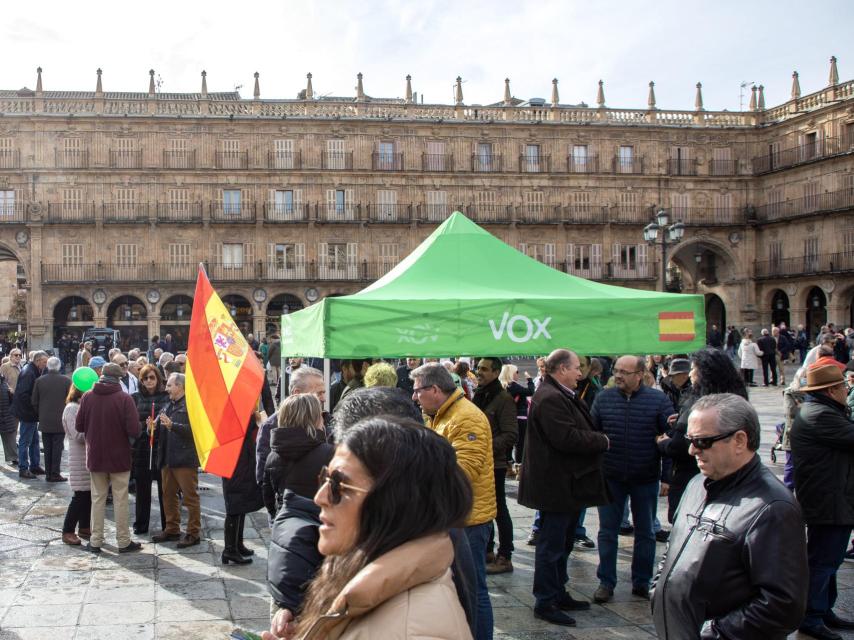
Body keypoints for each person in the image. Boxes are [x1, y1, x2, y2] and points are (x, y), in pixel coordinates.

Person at [283, 417, 473, 640]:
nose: (319, 497)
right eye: (324, 478)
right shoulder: (351, 571)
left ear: (393, 503)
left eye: (338, 485)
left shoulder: (412, 630)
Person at [651, 393, 808, 639]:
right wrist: (659, 588)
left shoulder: (773, 507)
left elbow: (783, 604)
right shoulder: (697, 484)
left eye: (702, 441)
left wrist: (713, 633)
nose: (692, 450)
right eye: (690, 440)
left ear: (739, 440)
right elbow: (675, 546)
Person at [518, 348, 610, 627]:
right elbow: (566, 438)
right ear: (561, 370)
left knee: (563, 542)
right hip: (555, 485)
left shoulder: (560, 393)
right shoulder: (550, 397)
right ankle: (545, 601)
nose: (580, 373)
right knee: (552, 545)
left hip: (567, 483)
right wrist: (602, 441)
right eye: (576, 368)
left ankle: (558, 592)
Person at [410, 362, 496, 640]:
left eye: (418, 391)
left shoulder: (466, 417)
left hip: (470, 518)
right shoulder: (440, 414)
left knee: (474, 590)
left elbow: (464, 470)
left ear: (435, 389)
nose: (414, 396)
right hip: (454, 515)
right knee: (462, 589)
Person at [591, 355, 673, 603]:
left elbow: (669, 440)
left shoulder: (658, 400)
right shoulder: (603, 398)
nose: (618, 376)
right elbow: (592, 435)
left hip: (645, 477)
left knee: (646, 531)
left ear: (639, 375)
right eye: (616, 371)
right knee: (607, 531)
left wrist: (666, 478)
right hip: (611, 476)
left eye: (624, 372)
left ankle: (642, 581)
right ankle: (606, 582)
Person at [791, 364, 854, 640]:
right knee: (823, 561)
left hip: (832, 497)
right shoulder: (820, 414)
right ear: (831, 390)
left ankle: (823, 609)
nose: (846, 390)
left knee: (830, 559)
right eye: (843, 386)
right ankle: (811, 617)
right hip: (828, 500)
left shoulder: (822, 410)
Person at [657, 348, 749, 523]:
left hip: (695, 476)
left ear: (706, 373)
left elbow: (680, 447)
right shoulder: (735, 398)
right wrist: (681, 419)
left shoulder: (700, 403)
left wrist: (664, 442)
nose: (690, 373)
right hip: (730, 477)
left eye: (693, 369)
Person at [75, 362, 142, 553]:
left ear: (101, 376)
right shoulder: (124, 398)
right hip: (119, 456)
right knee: (121, 499)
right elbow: (134, 430)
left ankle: (96, 540)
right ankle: (123, 541)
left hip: (96, 455)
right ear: (119, 379)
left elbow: (79, 426)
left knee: (97, 498)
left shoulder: (87, 397)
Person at [221, 376, 274, 564]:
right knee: (235, 504)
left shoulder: (240, 408)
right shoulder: (233, 409)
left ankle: (237, 544)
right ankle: (229, 549)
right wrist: (255, 419)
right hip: (234, 461)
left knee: (240, 502)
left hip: (242, 459)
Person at [472, 357, 517, 576]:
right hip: (481, 462)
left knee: (499, 508)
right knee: (485, 507)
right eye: (478, 368)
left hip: (495, 463)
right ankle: (487, 550)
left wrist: (485, 447)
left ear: (496, 372)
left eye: (484, 369)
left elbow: (511, 434)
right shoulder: (480, 395)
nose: (479, 372)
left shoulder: (503, 399)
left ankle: (505, 555)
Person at [263, 393, 334, 521]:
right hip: (320, 521)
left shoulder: (272, 457)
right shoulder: (330, 453)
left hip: (285, 521)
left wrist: (275, 517)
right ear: (315, 419)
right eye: (320, 415)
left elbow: (268, 496)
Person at [151, 372, 201, 549]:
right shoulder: (167, 405)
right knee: (168, 495)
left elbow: (195, 431)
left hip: (184, 459)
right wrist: (152, 427)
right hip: (167, 458)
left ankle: (193, 533)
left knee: (190, 497)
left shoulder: (191, 405)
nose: (166, 389)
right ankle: (172, 529)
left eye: (170, 385)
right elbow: (159, 428)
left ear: (180, 386)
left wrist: (173, 426)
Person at [256, 366, 326, 484]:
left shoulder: (326, 419)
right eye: (318, 393)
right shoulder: (271, 426)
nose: (324, 399)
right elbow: (263, 478)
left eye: (324, 392)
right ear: (297, 393)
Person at [131, 364, 169, 535]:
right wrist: (145, 428)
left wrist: (157, 427)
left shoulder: (166, 397)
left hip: (161, 449)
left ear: (158, 378)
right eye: (145, 378)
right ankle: (141, 524)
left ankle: (167, 525)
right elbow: (131, 423)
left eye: (152, 377)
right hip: (142, 450)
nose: (148, 381)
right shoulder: (135, 398)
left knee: (165, 490)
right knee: (142, 490)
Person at [32, 356, 72, 481]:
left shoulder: (39, 381)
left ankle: (49, 473)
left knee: (47, 447)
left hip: (45, 420)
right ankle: (54, 473)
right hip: (60, 420)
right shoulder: (66, 380)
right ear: (59, 366)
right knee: (57, 448)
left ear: (48, 366)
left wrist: (40, 414)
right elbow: (70, 400)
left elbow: (34, 401)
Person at [61, 382, 90, 545]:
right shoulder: (72, 408)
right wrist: (96, 430)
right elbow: (78, 435)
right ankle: (68, 530)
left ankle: (84, 527)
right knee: (80, 495)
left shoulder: (81, 406)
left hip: (87, 456)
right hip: (79, 457)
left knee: (88, 494)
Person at [12, 350, 48, 479]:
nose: (46, 364)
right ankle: (23, 468)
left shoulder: (33, 370)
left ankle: (35, 465)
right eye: (44, 362)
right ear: (38, 361)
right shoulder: (29, 372)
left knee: (34, 440)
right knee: (25, 441)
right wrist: (34, 407)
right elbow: (23, 394)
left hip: (30, 412)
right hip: (27, 413)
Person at [499, 363, 535, 475]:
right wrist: (529, 379)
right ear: (512, 374)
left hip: (507, 418)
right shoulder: (514, 386)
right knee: (520, 443)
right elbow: (530, 391)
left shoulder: (502, 386)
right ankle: (519, 468)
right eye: (517, 372)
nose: (518, 374)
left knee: (509, 443)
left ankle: (508, 467)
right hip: (520, 417)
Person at [0, 369, 17, 467]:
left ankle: (13, 457)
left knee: (9, 436)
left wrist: (11, 393)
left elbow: (11, 399)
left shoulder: (3, 381)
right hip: (4, 413)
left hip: (6, 414)